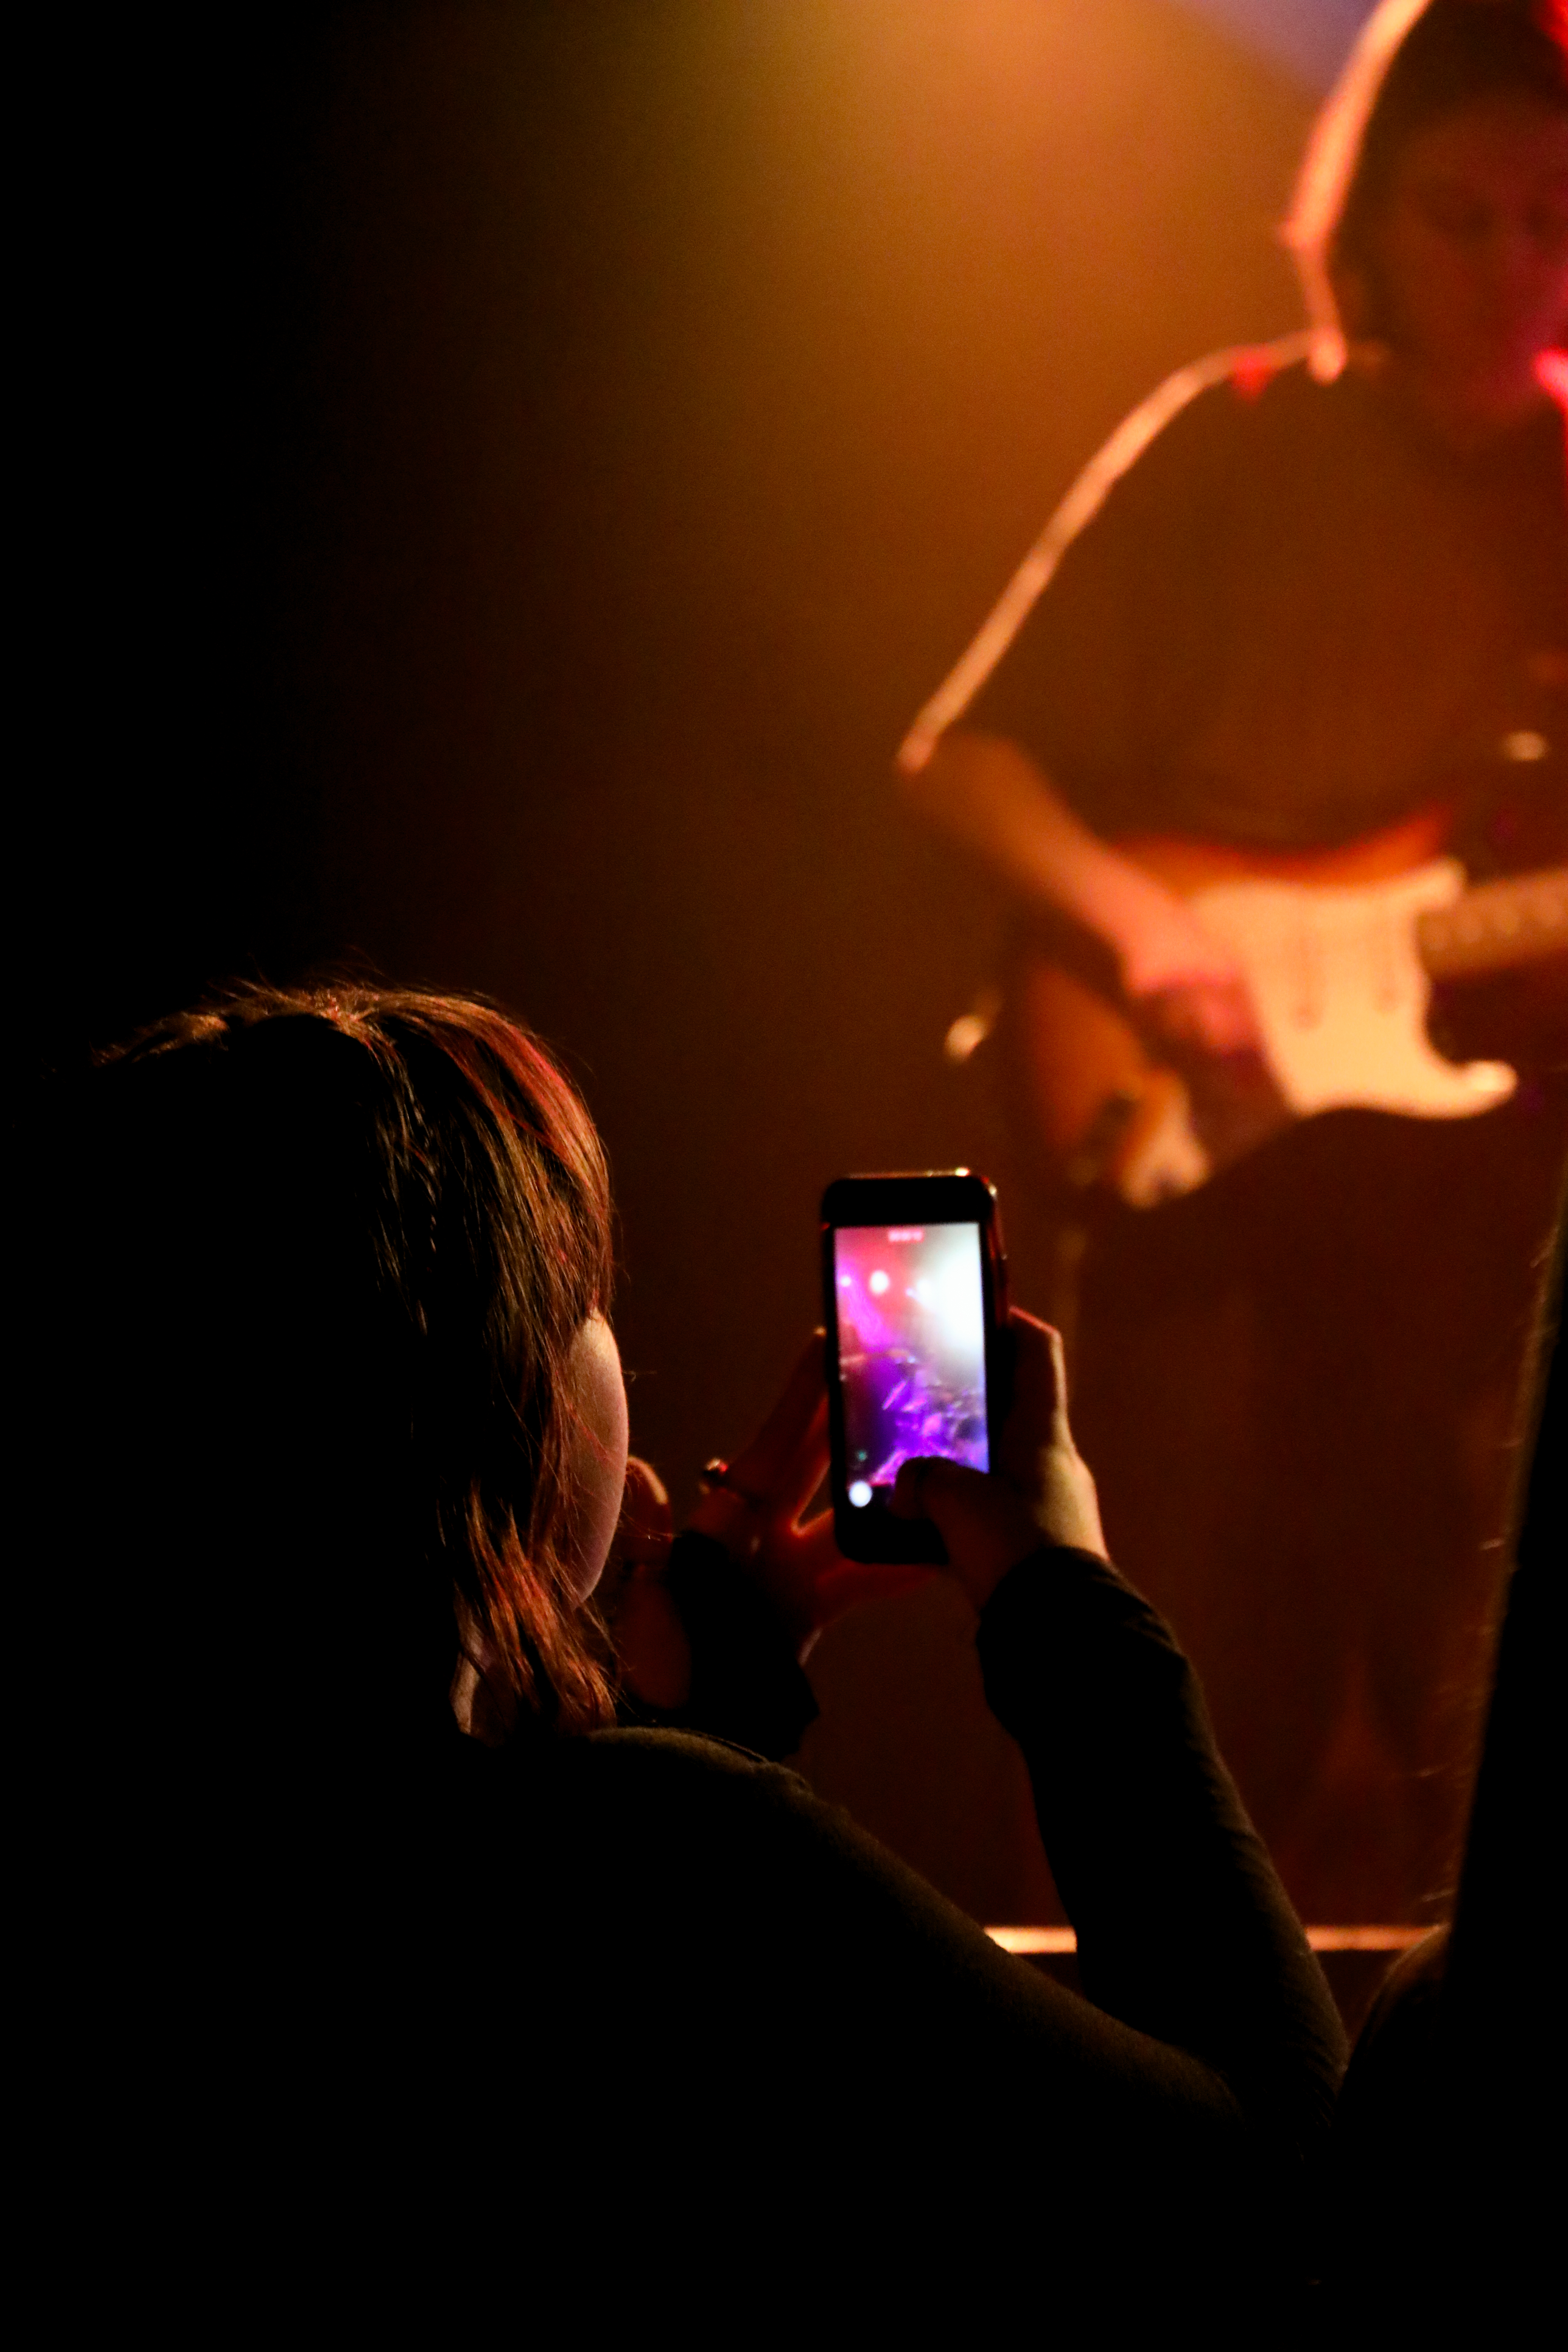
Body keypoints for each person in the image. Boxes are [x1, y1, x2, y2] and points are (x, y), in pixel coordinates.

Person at [21, 982, 1344, 2322]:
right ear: (497, 1383)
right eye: (585, 1292)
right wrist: (1067, 1606)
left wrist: (723, 1710)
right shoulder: (652, 1849)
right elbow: (1291, 2196)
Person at [897, 0, 1568, 1922]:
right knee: (1164, 1621)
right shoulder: (1236, 435)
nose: (1514, 266)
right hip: (1192, 1177)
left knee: (1432, 1641)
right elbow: (960, 752)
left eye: (1553, 218)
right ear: (1364, 212)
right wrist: (1149, 930)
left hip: (1455, 1215)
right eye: (1464, 217)